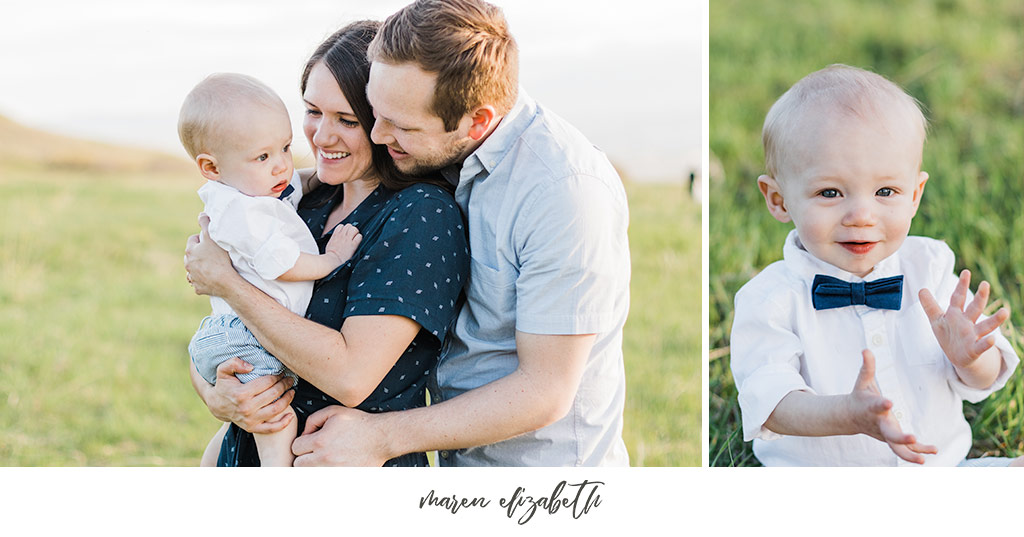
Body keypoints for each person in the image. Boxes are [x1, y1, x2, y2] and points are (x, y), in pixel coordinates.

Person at [288, 0, 632, 466]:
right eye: (373, 113)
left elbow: (545, 390)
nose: (377, 134)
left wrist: (381, 437)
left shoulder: (564, 193)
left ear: (478, 121)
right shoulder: (440, 145)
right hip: (454, 460)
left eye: (399, 125)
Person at [183, 20, 469, 467]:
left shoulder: (419, 213)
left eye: (347, 120)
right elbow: (230, 334)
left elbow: (353, 376)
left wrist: (226, 282)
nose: (322, 135)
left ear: (382, 123)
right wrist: (218, 396)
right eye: (313, 111)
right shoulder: (302, 201)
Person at [729, 64, 1022, 466]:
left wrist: (969, 357)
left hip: (942, 471)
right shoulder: (769, 301)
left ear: (916, 194)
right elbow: (773, 404)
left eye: (886, 191)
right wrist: (847, 413)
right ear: (778, 200)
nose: (862, 214)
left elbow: (983, 381)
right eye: (830, 192)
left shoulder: (930, 270)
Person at [178, 72, 363, 466]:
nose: (281, 166)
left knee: (244, 421)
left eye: (285, 148)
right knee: (274, 420)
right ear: (211, 167)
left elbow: (297, 182)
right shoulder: (242, 211)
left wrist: (321, 176)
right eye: (264, 157)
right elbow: (282, 263)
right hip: (245, 337)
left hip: (237, 331)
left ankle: (211, 466)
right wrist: (331, 260)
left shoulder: (250, 187)